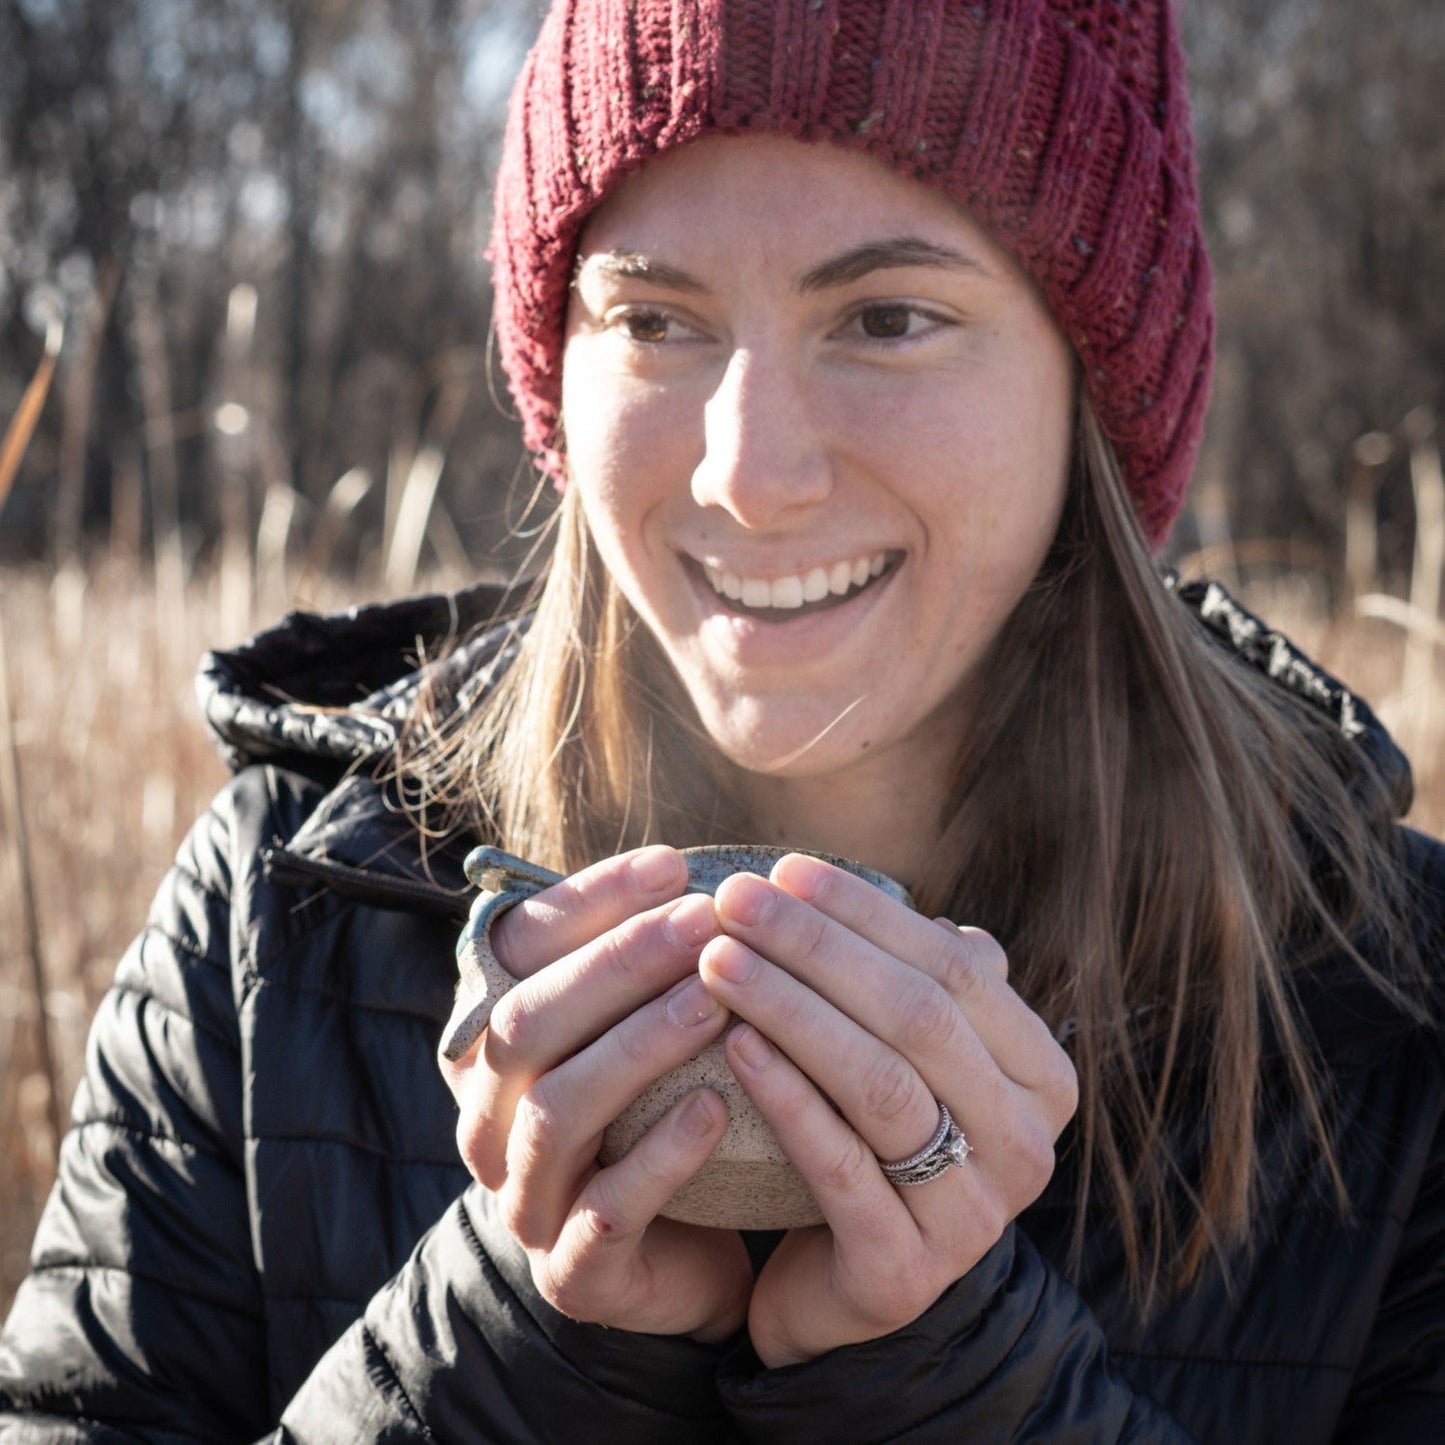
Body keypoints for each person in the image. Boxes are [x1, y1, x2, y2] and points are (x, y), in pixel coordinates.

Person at [2, 0, 1441, 1438]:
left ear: (1094, 386)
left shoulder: (1393, 1007)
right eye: (652, 318)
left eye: (887, 318)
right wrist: (511, 1332)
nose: (750, 475)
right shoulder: (287, 908)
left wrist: (954, 1381)